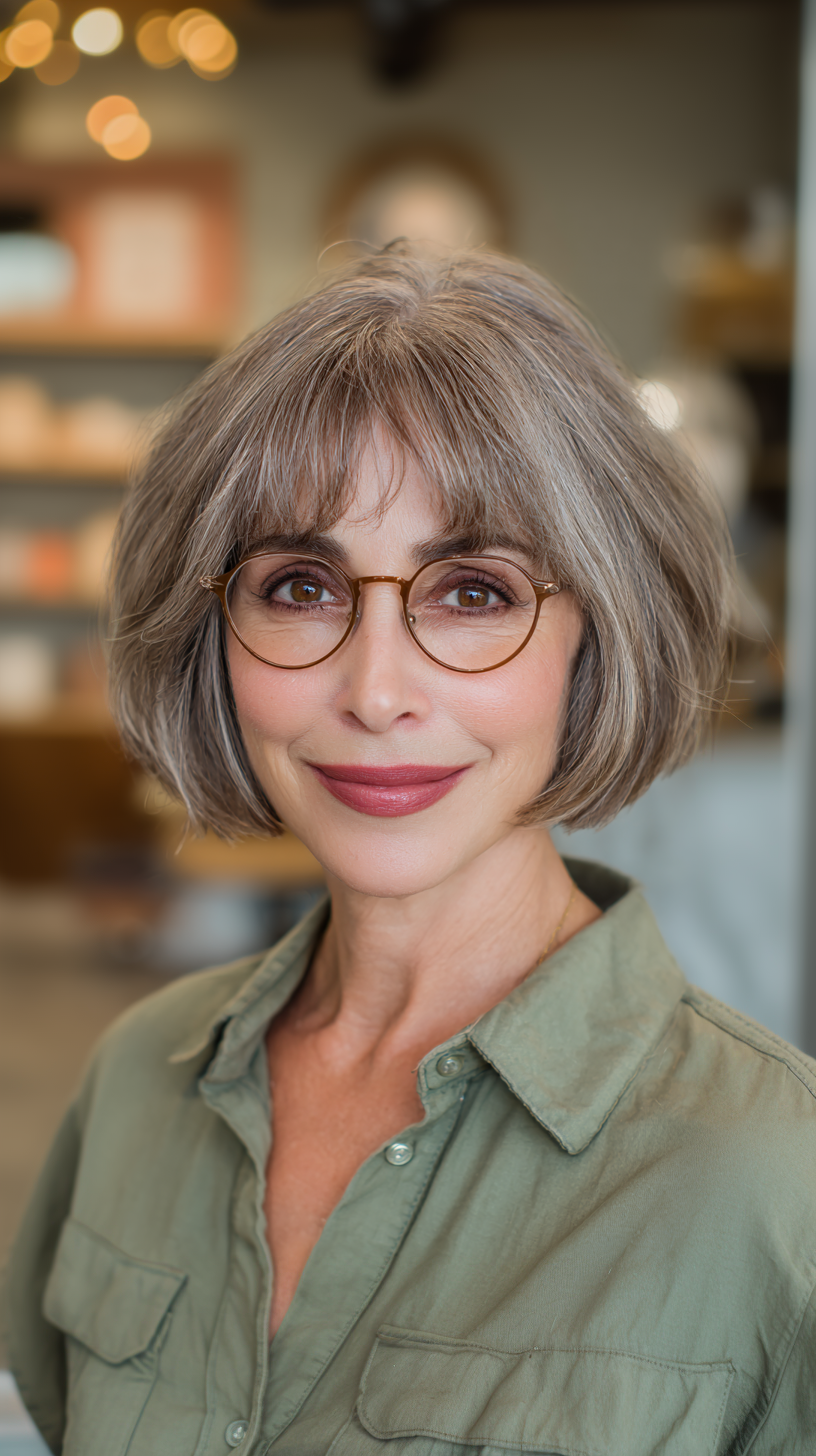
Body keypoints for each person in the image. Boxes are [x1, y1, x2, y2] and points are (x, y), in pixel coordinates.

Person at [6, 245, 815, 1456]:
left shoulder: (775, 1176)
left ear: (596, 633)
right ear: (209, 632)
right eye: (297, 587)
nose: (377, 690)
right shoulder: (135, 1082)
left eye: (474, 592)